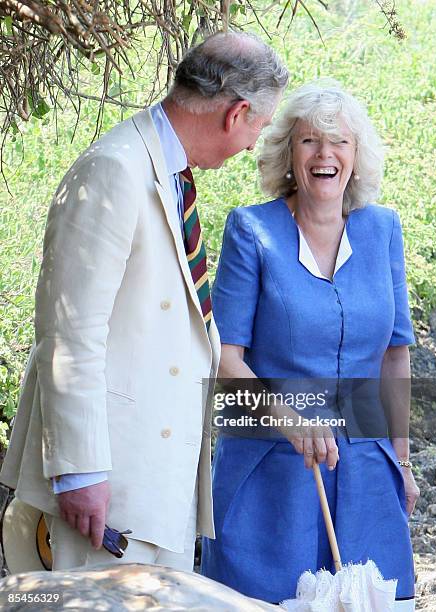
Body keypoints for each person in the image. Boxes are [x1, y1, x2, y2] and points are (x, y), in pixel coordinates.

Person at [0, 31, 288, 572]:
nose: (254, 144)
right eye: (260, 127)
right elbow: (70, 332)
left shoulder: (166, 173)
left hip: (157, 486)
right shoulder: (114, 169)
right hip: (104, 493)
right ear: (237, 113)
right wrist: (80, 470)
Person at [201, 81, 419, 609]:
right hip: (270, 471)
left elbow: (395, 354)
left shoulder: (384, 229)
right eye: (309, 142)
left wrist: (403, 461)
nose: (325, 155)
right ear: (287, 154)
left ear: (356, 155)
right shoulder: (250, 229)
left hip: (368, 468)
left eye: (339, 142)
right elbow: (226, 359)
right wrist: (292, 418)